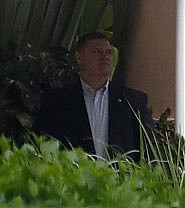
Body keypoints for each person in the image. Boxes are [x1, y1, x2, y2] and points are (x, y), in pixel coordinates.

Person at [34, 32, 154, 160]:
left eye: (108, 53)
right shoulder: (56, 102)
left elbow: (148, 151)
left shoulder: (133, 101)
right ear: (79, 58)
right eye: (97, 52)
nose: (104, 57)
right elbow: (45, 146)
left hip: (121, 177)